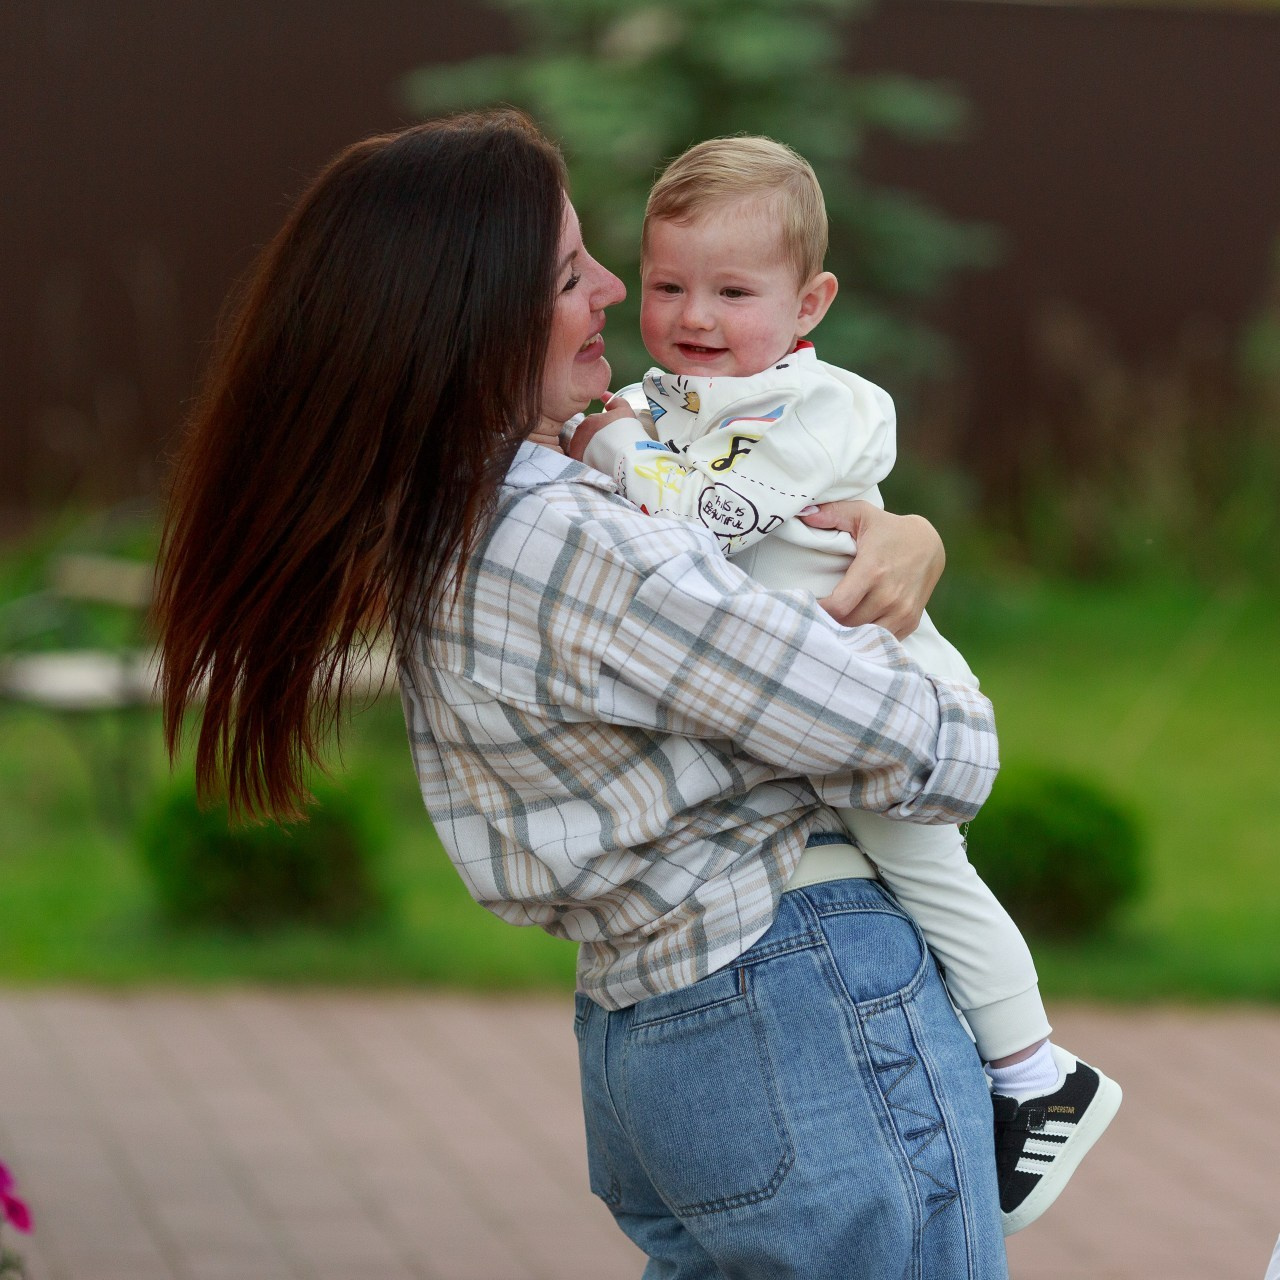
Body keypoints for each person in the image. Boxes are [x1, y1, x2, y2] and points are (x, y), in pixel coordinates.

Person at [153, 108, 1009, 1277]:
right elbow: (933, 746)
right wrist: (899, 591)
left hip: (650, 1032)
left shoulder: (451, 514)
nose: (614, 287)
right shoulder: (572, 541)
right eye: (568, 272)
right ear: (477, 317)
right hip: (792, 996)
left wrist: (900, 537)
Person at [568, 134, 1121, 1235]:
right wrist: (615, 433)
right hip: (789, 711)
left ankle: (1034, 1070)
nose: (694, 316)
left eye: (733, 290)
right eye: (670, 284)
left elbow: (708, 518)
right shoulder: (660, 400)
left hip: (877, 684)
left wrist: (616, 445)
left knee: (925, 866)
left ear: (809, 298)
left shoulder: (824, 407)